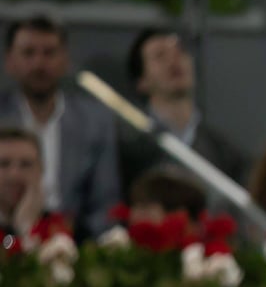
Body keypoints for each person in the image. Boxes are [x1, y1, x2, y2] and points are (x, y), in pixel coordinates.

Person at [0, 15, 120, 238]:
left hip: (74, 241)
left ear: (65, 60)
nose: (39, 64)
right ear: (10, 61)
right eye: (28, 53)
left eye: (49, 53)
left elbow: (106, 202)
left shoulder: (95, 120)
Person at [118, 27, 247, 194]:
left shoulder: (225, 152)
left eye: (180, 51)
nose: (174, 60)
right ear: (141, 81)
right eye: (160, 55)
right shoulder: (128, 149)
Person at [0, 126, 46, 238]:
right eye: (4, 164)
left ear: (40, 170)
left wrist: (27, 227)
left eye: (25, 164)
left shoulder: (63, 230)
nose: (14, 175)